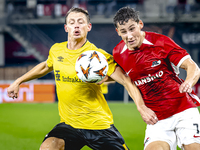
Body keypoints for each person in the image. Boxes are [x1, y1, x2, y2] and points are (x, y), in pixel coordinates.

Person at [7, 7, 157, 150]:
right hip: (69, 125)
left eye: (80, 22)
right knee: (48, 147)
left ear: (89, 27)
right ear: (66, 28)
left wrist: (141, 106)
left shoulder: (98, 57)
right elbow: (45, 66)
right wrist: (18, 81)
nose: (76, 26)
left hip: (98, 125)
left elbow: (126, 79)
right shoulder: (56, 50)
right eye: (72, 23)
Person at [112, 6, 200, 150]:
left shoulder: (161, 42)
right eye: (123, 31)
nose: (129, 35)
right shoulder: (118, 53)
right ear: (118, 32)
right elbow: (126, 80)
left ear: (140, 24)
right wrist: (141, 107)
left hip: (183, 109)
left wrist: (189, 81)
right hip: (157, 119)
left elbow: (192, 67)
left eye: (132, 28)